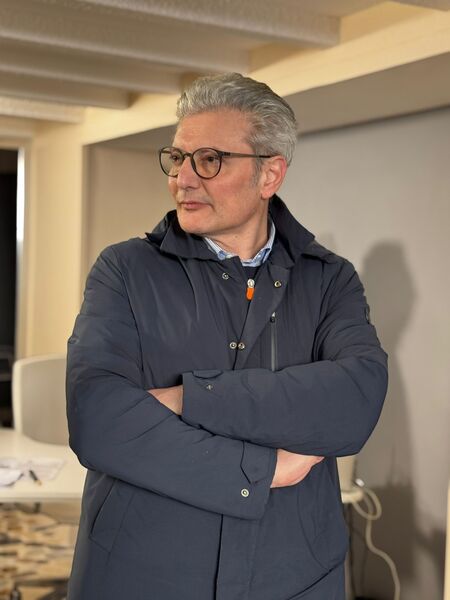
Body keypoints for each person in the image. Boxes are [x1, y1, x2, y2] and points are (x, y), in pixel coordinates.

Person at [66, 73, 388, 600]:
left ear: (270, 174)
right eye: (178, 158)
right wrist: (263, 468)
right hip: (144, 573)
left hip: (293, 574)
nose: (183, 180)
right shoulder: (124, 270)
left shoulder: (330, 280)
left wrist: (189, 398)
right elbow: (98, 419)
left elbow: (355, 402)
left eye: (210, 160)